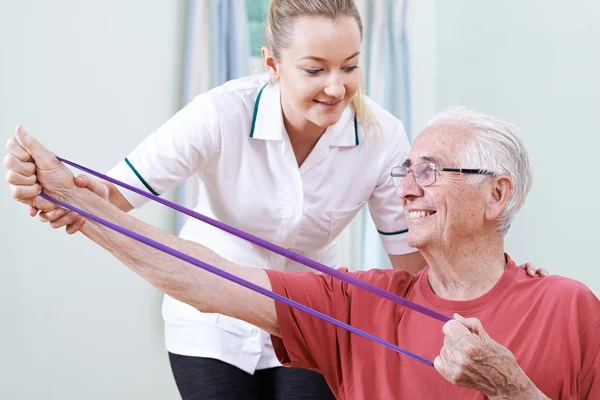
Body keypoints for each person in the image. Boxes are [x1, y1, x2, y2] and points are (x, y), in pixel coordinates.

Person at [6, 106, 592, 399]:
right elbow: (203, 278)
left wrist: (513, 389)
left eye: (431, 172)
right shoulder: (359, 304)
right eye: (405, 170)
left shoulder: (571, 309)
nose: (407, 187)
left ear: (496, 195)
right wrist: (79, 207)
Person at [19, 1, 424, 399]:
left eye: (349, 66)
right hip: (210, 321)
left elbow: (412, 269)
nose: (336, 87)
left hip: (313, 320)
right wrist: (61, 192)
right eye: (315, 69)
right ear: (272, 64)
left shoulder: (382, 137)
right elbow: (114, 194)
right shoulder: (220, 113)